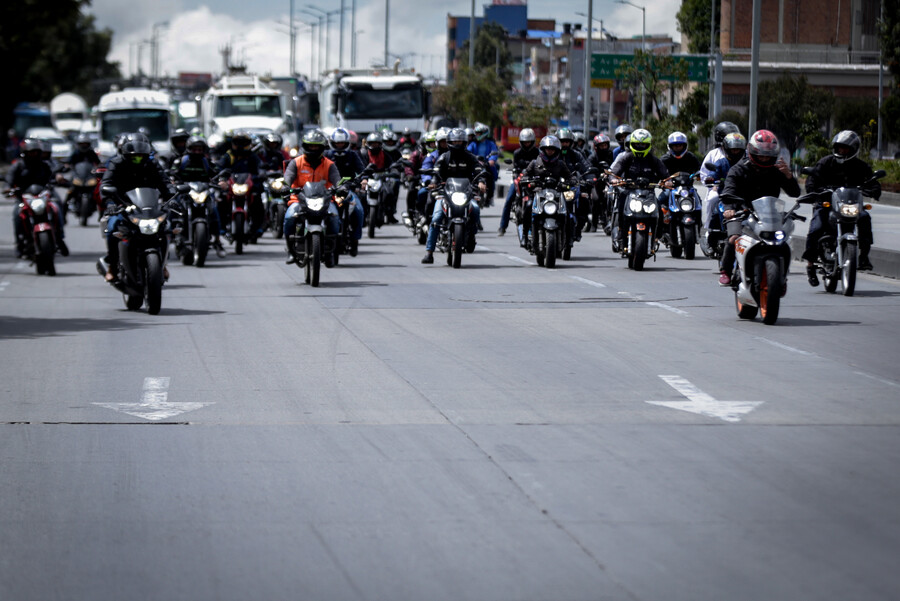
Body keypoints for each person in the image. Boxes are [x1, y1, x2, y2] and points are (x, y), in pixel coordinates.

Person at [718, 129, 801, 286]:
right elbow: (729, 190)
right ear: (752, 152)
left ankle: (781, 278)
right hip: (742, 212)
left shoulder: (777, 171)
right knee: (734, 238)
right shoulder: (739, 169)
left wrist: (789, 176)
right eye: (761, 155)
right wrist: (729, 208)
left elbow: (794, 192)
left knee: (784, 241)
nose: (764, 159)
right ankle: (725, 270)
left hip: (769, 215)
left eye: (768, 155)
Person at [801, 130, 880, 282]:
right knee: (816, 227)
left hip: (850, 205)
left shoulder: (860, 166)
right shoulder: (825, 162)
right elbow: (812, 179)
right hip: (828, 204)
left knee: (864, 218)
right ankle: (810, 264)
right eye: (839, 147)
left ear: (854, 149)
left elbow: (872, 181)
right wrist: (815, 191)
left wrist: (873, 189)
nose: (842, 151)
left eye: (846, 148)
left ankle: (864, 257)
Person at [99, 139, 175, 282]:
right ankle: (113, 266)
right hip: (122, 205)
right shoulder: (116, 163)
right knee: (112, 228)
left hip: (148, 205)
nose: (138, 159)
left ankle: (163, 264)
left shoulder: (152, 164)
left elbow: (164, 182)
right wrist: (110, 203)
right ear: (126, 155)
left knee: (167, 227)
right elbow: (106, 184)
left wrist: (172, 198)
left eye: (141, 156)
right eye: (134, 156)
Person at [421, 128, 486, 264]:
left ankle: (471, 236)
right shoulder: (444, 157)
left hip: (466, 194)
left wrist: (481, 182)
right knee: (437, 217)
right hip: (446, 194)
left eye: (460, 141)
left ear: (464, 142)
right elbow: (436, 171)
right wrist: (433, 183)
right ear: (449, 142)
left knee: (475, 209)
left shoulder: (470, 157)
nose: (457, 144)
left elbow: (478, 169)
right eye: (454, 141)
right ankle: (429, 252)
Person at [282, 130, 342, 264]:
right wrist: (285, 186)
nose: (313, 149)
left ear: (322, 147)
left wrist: (341, 187)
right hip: (299, 199)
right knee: (289, 218)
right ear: (305, 146)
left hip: (324, 200)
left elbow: (337, 180)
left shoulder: (329, 164)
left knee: (334, 218)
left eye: (316, 146)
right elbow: (288, 177)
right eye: (310, 146)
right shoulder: (295, 163)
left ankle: (331, 251)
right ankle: (291, 251)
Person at [608, 128, 670, 252]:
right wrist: (613, 179)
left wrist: (667, 182)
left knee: (659, 209)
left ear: (648, 145)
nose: (640, 146)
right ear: (632, 144)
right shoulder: (626, 157)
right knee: (620, 206)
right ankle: (621, 232)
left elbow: (665, 175)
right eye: (638, 144)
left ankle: (657, 236)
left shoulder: (653, 160)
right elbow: (614, 172)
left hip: (649, 193)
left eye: (643, 144)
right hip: (629, 192)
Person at [6, 138, 67, 258]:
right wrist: (8, 188)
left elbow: (53, 176)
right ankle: (20, 243)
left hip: (41, 196)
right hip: (24, 198)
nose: (34, 154)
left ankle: (59, 238)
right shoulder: (18, 165)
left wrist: (59, 178)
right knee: (17, 214)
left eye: (36, 152)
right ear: (24, 152)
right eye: (31, 152)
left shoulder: (44, 165)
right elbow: (9, 179)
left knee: (56, 209)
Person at [520, 135, 573, 249]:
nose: (550, 151)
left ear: (556, 151)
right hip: (538, 193)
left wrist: (571, 182)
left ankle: (568, 239)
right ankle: (525, 235)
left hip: (556, 193)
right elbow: (525, 176)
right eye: (548, 149)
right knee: (528, 207)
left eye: (552, 149)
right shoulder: (534, 163)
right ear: (543, 150)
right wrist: (527, 181)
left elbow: (570, 177)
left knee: (568, 214)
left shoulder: (560, 164)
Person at [216, 130, 264, 241]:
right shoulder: (228, 155)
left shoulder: (252, 156)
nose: (241, 145)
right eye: (238, 142)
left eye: (243, 142)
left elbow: (260, 167)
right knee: (221, 201)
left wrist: (262, 174)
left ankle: (257, 227)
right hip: (231, 186)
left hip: (249, 185)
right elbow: (219, 167)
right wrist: (221, 179)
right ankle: (222, 227)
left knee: (258, 201)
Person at [325, 127, 366, 248]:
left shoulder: (353, 155)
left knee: (358, 210)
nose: (339, 145)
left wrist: (363, 180)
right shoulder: (326, 155)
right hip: (329, 192)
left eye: (342, 143)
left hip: (348, 191)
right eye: (337, 143)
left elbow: (361, 170)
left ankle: (355, 238)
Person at [700, 121, 741, 231]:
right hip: (719, 189)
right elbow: (704, 174)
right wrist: (712, 183)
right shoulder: (714, 154)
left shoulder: (743, 155)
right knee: (712, 198)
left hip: (740, 189)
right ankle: (709, 228)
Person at [499, 128, 538, 237]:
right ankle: (502, 226)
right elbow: (515, 167)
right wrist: (517, 177)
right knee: (509, 200)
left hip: (533, 180)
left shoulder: (537, 153)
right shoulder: (517, 153)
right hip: (520, 180)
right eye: (525, 142)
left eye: (529, 142)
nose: (527, 144)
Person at [585, 133, 614, 231]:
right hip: (596, 182)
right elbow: (588, 168)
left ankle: (612, 219)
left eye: (605, 145)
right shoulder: (593, 157)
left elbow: (616, 166)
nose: (604, 147)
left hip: (609, 181)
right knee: (596, 199)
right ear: (596, 147)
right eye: (602, 146)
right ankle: (594, 223)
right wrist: (593, 178)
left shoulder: (611, 155)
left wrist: (611, 175)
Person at [467, 123, 500, 206]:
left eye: (479, 133)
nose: (477, 135)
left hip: (486, 165)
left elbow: (494, 153)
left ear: (484, 133)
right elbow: (468, 152)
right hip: (475, 165)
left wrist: (492, 160)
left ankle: (490, 197)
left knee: (491, 176)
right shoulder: (473, 144)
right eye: (476, 133)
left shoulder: (490, 143)